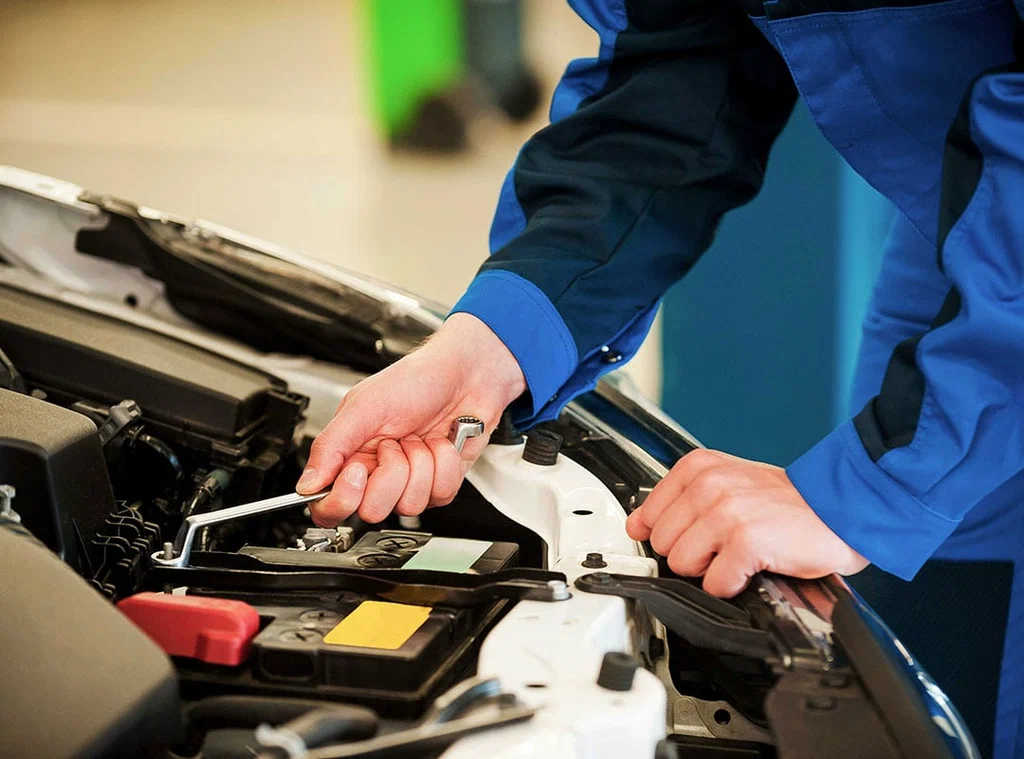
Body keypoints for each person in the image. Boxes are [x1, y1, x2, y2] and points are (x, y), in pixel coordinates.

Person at [297, 2, 1023, 756]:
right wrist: (493, 343)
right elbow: (682, 59)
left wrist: (871, 489)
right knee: (936, 653)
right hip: (975, 214)